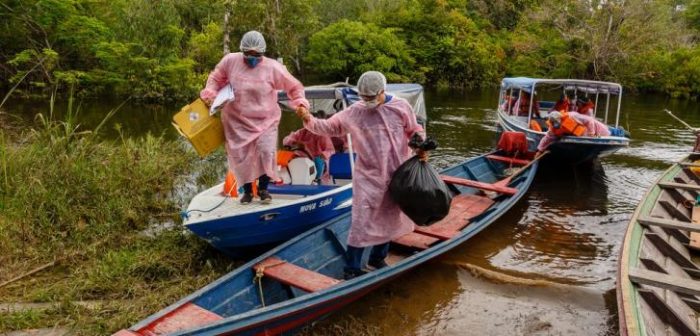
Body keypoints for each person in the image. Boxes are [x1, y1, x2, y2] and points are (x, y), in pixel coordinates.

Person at [295, 71, 426, 279]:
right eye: (364, 97)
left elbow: (414, 130)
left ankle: (377, 258)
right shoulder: (355, 112)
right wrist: (308, 119)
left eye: (372, 97)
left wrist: (421, 143)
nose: (368, 101)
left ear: (383, 91)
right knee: (361, 222)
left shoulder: (401, 107)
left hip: (397, 173)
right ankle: (352, 268)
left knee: (389, 218)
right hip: (367, 175)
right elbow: (328, 127)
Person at [200, 31, 309, 204]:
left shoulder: (273, 67)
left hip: (265, 120)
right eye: (248, 54)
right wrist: (210, 94)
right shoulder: (230, 61)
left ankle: (264, 189)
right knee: (242, 158)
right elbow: (215, 78)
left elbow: (294, 87)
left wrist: (300, 104)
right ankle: (248, 191)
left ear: (262, 53)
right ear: (242, 51)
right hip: (236, 121)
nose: (252, 58)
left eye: (256, 55)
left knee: (265, 152)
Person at [282, 111, 335, 183]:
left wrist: (323, 155)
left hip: (316, 161)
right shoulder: (301, 132)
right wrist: (294, 142)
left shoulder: (323, 135)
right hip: (301, 159)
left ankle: (317, 179)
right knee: (285, 159)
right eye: (306, 121)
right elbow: (286, 140)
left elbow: (331, 151)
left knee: (318, 162)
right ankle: (286, 180)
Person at [536, 111, 611, 153]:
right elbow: (548, 138)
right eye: (553, 123)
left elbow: (590, 120)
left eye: (557, 122)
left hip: (599, 130)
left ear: (561, 118)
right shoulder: (552, 127)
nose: (556, 124)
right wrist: (540, 150)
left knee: (612, 133)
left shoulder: (573, 116)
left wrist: (592, 133)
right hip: (582, 137)